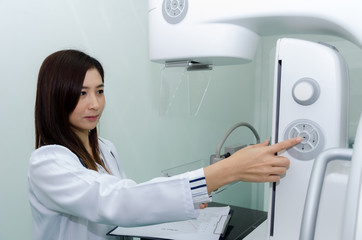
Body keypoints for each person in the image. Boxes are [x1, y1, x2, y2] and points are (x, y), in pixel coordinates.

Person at [27, 49, 302, 240]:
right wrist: (228, 170)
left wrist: (188, 199)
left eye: (100, 91)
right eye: (81, 93)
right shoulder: (47, 164)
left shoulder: (104, 149)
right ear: (56, 96)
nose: (95, 104)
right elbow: (117, 202)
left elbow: (127, 204)